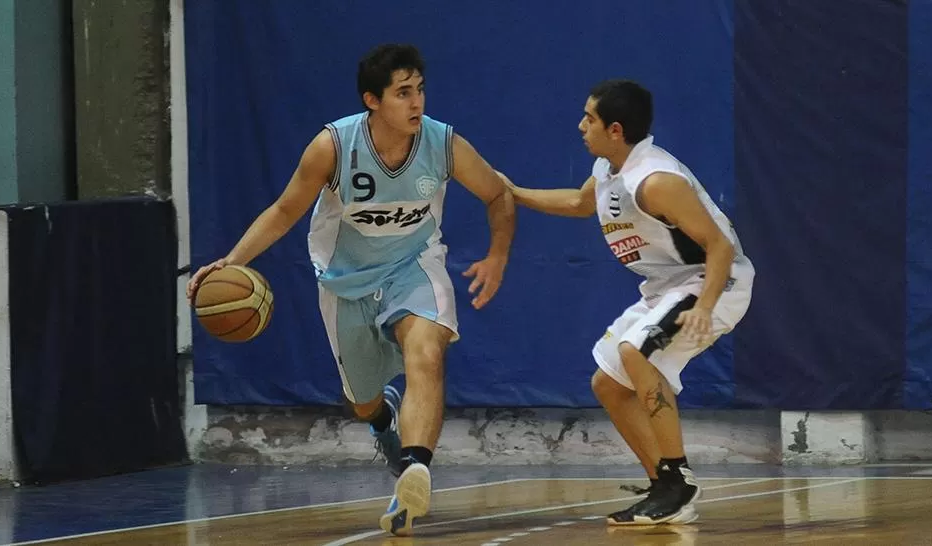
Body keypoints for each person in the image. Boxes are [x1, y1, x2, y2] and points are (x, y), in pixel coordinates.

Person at [187, 44, 515, 536]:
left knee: (426, 353)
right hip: (346, 281)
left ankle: (415, 467)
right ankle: (382, 423)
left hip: (415, 265)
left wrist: (497, 257)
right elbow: (283, 212)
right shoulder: (333, 147)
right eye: (403, 93)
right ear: (372, 101)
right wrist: (233, 261)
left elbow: (497, 194)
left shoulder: (443, 144)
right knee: (361, 402)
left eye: (420, 90)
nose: (416, 102)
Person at [501, 79, 753, 525]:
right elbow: (580, 202)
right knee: (609, 384)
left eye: (589, 118)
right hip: (669, 286)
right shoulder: (608, 169)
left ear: (615, 130)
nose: (581, 125)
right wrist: (514, 192)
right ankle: (663, 485)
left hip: (714, 282)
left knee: (636, 353)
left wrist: (704, 306)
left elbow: (720, 247)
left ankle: (678, 480)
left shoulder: (654, 181)